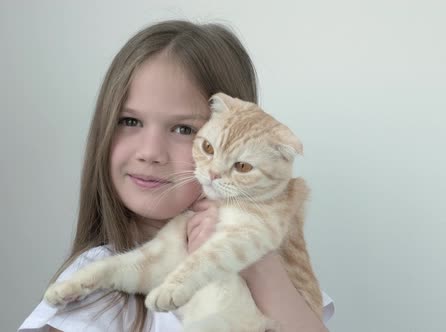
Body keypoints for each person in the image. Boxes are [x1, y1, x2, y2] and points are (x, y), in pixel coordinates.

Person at [18, 20, 334, 332]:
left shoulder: (274, 266)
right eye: (129, 121)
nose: (150, 151)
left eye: (183, 129)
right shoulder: (97, 287)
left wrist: (255, 261)